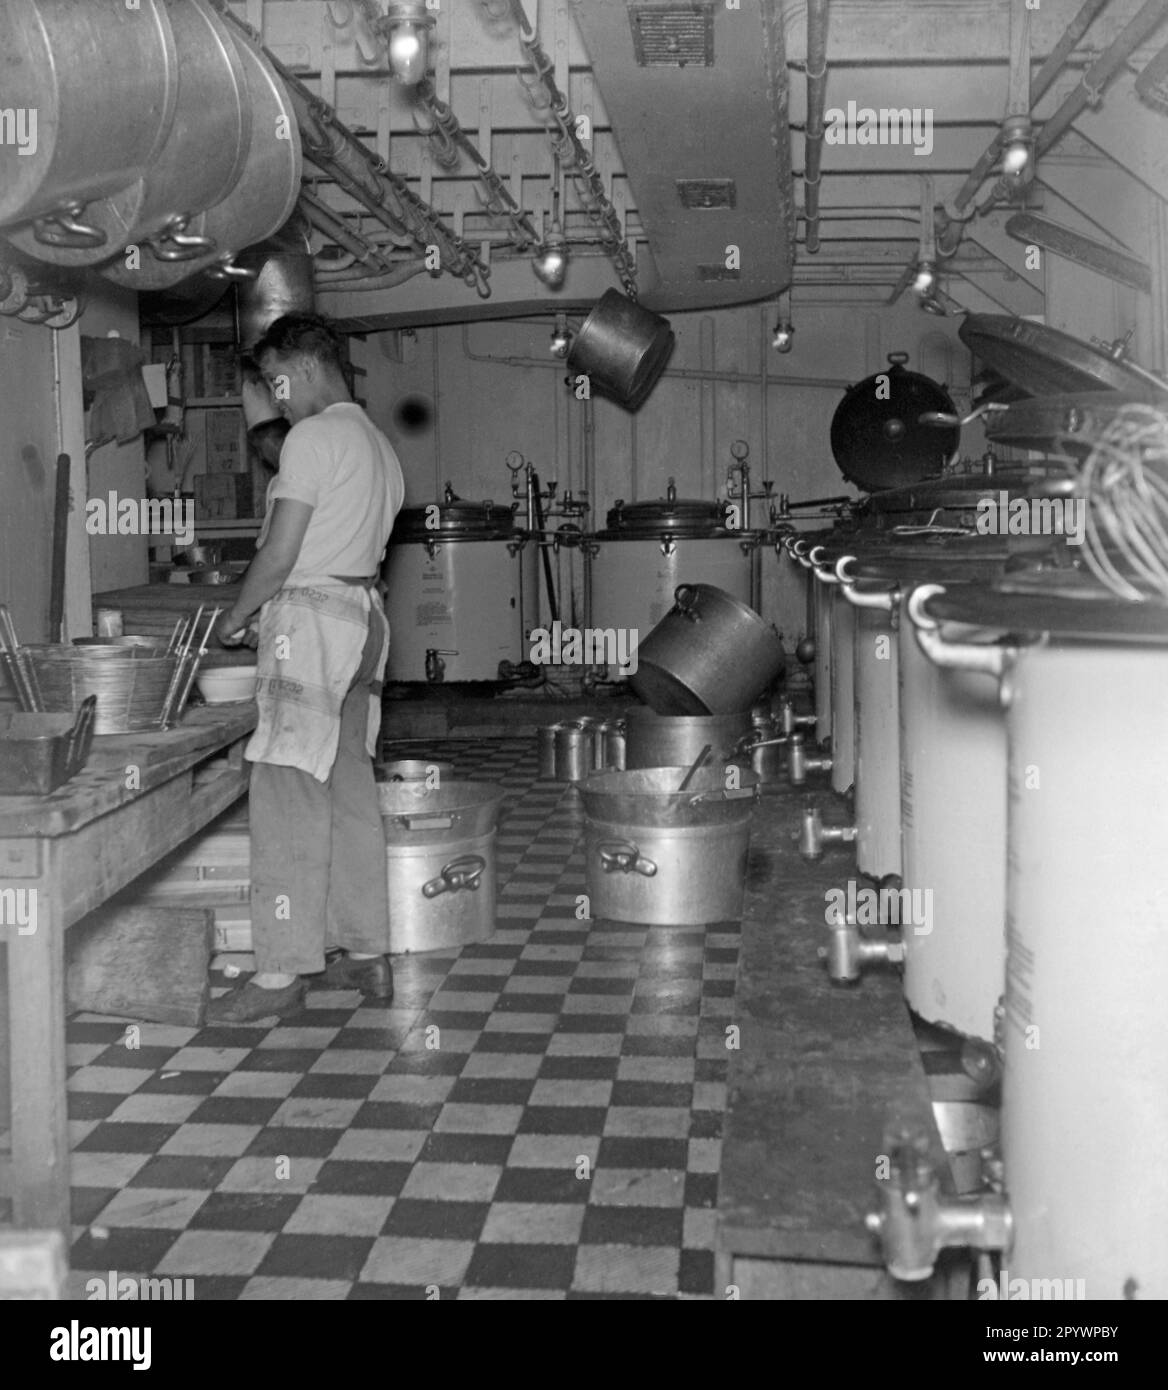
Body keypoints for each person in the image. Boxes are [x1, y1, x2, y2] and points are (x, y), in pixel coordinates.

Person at [207, 313, 405, 1023]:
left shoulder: (314, 439)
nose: (276, 398)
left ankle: (279, 973)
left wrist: (235, 618)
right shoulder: (378, 445)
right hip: (363, 623)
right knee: (349, 783)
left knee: (287, 792)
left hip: (316, 628)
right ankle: (368, 951)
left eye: (277, 381)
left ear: (309, 366)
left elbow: (282, 554)